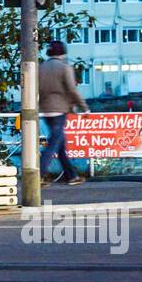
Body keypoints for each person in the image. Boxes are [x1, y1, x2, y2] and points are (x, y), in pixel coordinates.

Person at [38, 39, 88, 185]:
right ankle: (38, 174)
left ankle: (71, 176)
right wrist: (84, 108)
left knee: (60, 145)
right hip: (59, 111)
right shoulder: (65, 68)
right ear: (63, 53)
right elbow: (72, 90)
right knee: (54, 144)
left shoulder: (41, 67)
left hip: (45, 110)